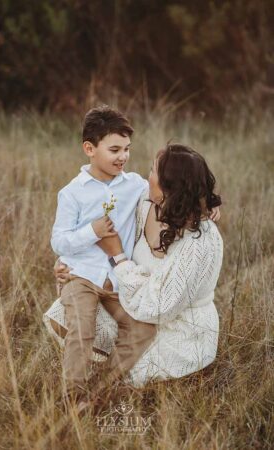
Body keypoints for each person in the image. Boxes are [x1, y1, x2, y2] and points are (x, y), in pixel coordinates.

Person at [44, 143, 223, 394]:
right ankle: (81, 393)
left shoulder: (200, 240)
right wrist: (66, 261)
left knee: (128, 382)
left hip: (176, 326)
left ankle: (97, 392)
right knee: (71, 316)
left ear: (171, 188)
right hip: (134, 303)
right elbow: (93, 227)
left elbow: (160, 309)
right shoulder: (145, 204)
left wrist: (118, 257)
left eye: (153, 171)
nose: (146, 176)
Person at [49, 105, 158, 411]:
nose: (122, 156)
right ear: (90, 149)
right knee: (82, 330)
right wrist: (92, 231)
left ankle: (100, 390)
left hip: (115, 279)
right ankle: (73, 398)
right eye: (114, 149)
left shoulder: (135, 184)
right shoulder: (72, 193)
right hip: (79, 275)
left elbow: (167, 192)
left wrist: (209, 203)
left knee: (142, 329)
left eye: (127, 149)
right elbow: (58, 240)